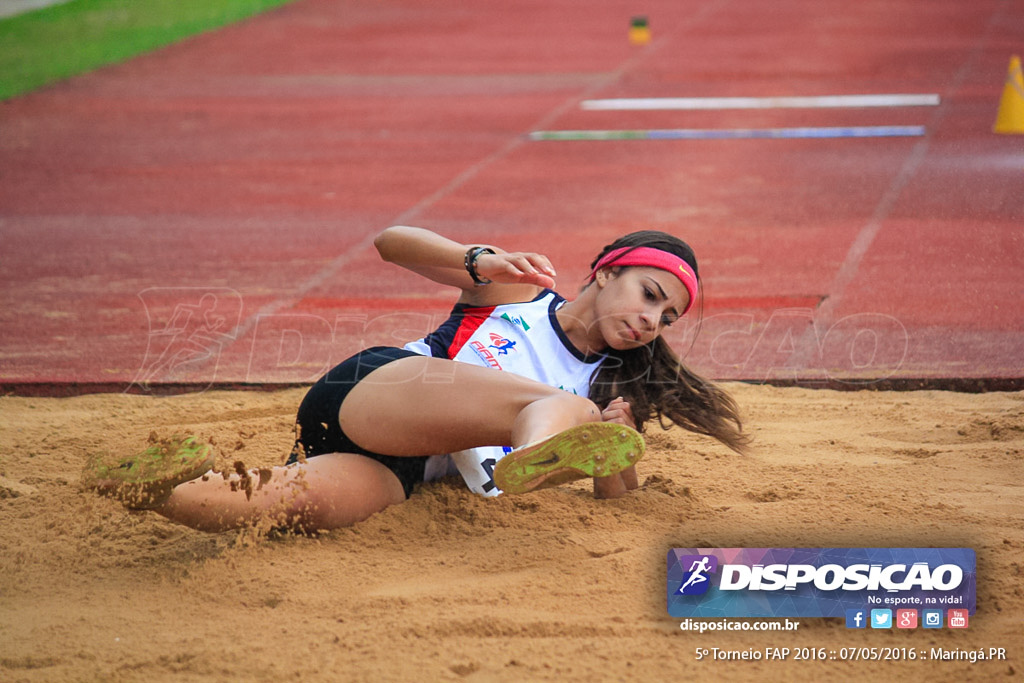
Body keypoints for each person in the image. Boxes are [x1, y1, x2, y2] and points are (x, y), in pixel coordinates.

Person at [84, 226, 748, 532]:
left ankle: (156, 487)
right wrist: (479, 259)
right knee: (555, 404)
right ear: (605, 271)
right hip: (385, 389)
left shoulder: (610, 386)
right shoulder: (520, 291)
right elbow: (390, 242)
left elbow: (618, 496)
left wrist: (616, 443)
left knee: (282, 505)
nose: (651, 319)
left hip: (402, 465)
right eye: (649, 293)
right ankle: (530, 444)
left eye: (667, 316)